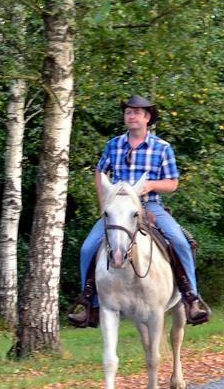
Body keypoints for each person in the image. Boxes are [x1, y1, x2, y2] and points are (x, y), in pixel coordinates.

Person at [67, 94, 210, 328]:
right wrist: (104, 204)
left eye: (136, 113)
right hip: (118, 209)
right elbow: (100, 172)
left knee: (179, 241)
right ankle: (90, 304)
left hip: (150, 205)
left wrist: (152, 185)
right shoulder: (114, 144)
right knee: (87, 248)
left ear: (147, 118)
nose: (131, 116)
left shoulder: (162, 148)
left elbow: (172, 183)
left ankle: (191, 298)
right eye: (128, 112)